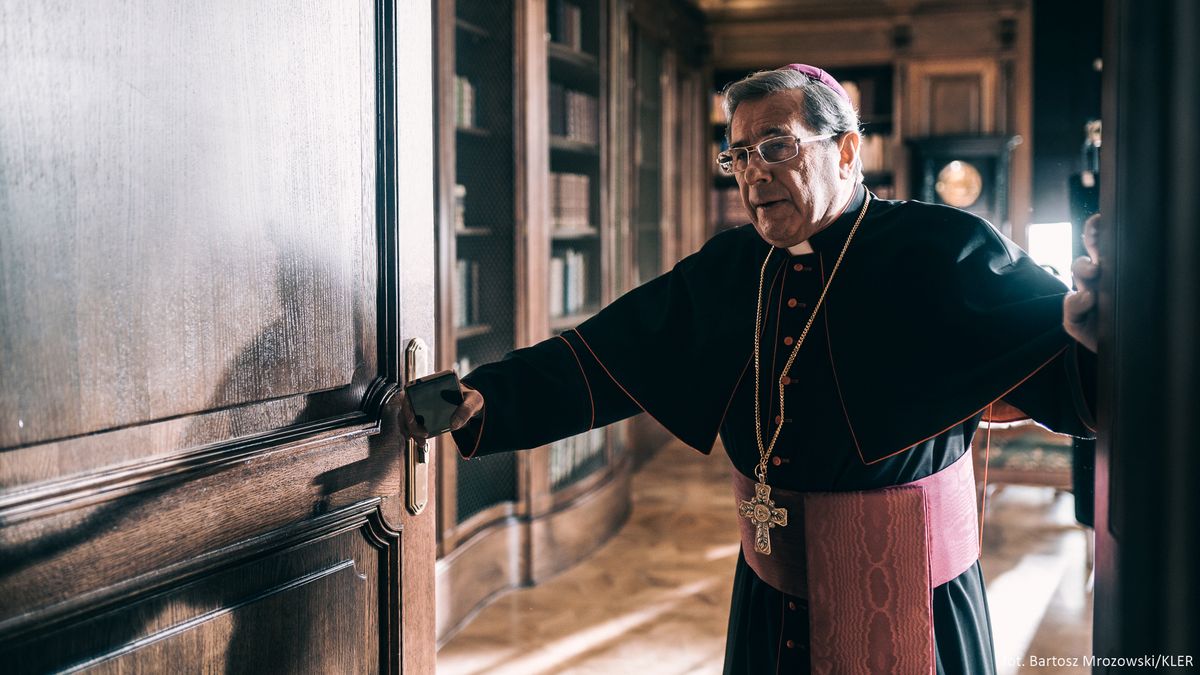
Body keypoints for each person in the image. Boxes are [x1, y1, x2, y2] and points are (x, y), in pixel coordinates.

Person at [395, 64, 1102, 674]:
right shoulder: (732, 266)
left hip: (905, 594)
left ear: (848, 149)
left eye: (776, 145)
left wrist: (1113, 331)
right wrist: (489, 395)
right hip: (771, 590)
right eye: (738, 155)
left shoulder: (944, 250)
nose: (754, 170)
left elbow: (1070, 355)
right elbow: (613, 352)